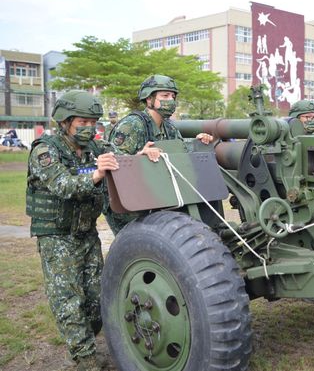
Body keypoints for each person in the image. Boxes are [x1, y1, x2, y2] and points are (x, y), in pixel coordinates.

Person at [26, 90, 119, 371]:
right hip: (56, 236)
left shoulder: (95, 149)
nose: (90, 128)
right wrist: (96, 175)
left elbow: (124, 157)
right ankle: (85, 359)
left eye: (94, 122)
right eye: (83, 122)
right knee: (68, 301)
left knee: (96, 299)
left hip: (86, 234)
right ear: (65, 121)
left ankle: (86, 344)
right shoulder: (46, 150)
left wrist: (145, 151)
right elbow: (62, 185)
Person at [104, 74, 213, 235]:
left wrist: (197, 143)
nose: (171, 100)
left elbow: (179, 151)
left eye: (173, 96)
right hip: (128, 204)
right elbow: (112, 160)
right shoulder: (132, 125)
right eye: (165, 95)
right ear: (149, 100)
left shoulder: (169, 128)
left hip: (156, 196)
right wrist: (139, 157)